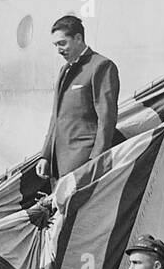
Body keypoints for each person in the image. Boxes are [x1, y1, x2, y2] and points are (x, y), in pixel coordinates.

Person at [36, 14, 120, 183]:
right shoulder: (65, 70)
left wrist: (96, 159)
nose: (59, 50)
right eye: (56, 45)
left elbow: (106, 119)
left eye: (62, 43)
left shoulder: (101, 66)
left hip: (83, 161)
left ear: (78, 38)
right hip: (59, 163)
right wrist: (45, 155)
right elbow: (56, 117)